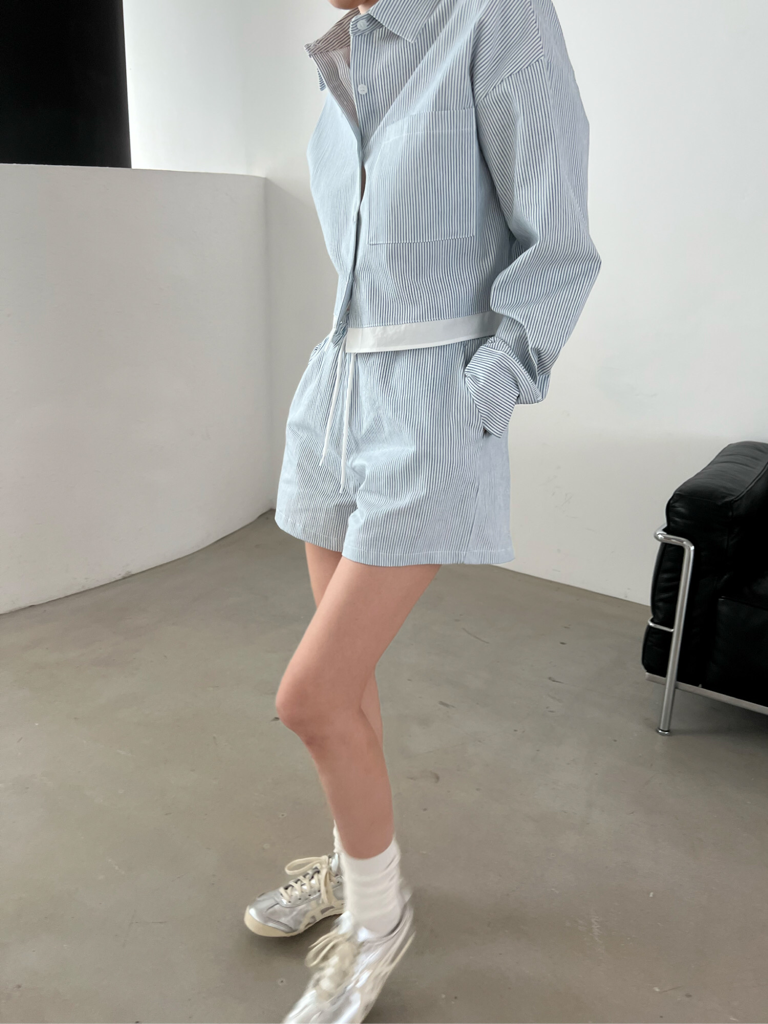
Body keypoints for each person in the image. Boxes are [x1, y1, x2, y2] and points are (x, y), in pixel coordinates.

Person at [246, 0, 602, 1020]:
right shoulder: (340, 58)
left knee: (310, 697)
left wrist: (485, 390)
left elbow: (559, 239)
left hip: (431, 405)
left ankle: (378, 921)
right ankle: (354, 864)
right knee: (348, 690)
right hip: (335, 401)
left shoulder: (494, 16)